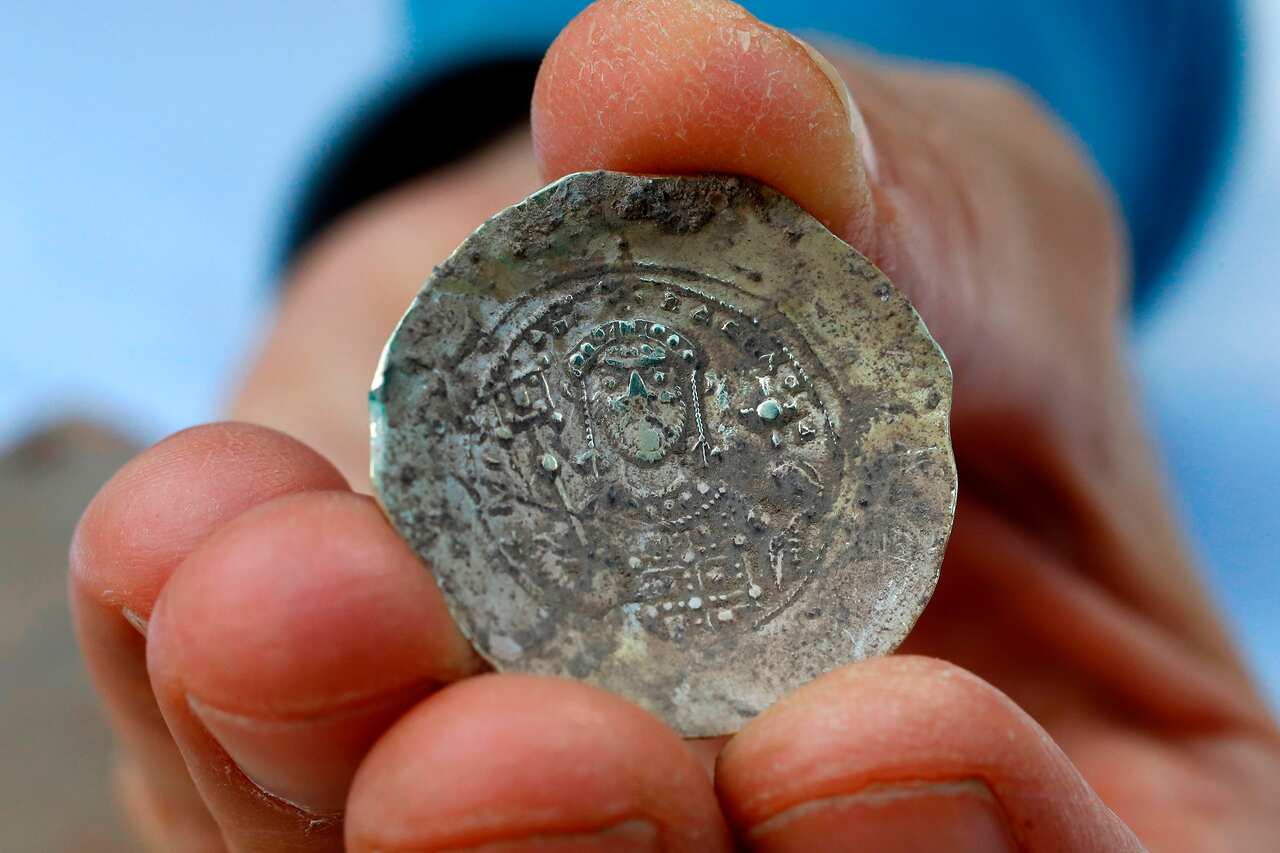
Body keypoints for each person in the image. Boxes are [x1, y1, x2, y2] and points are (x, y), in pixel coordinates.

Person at [70, 1, 1279, 850]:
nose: (649, 410)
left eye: (668, 388)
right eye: (621, 394)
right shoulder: (535, 514)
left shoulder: (784, 507)